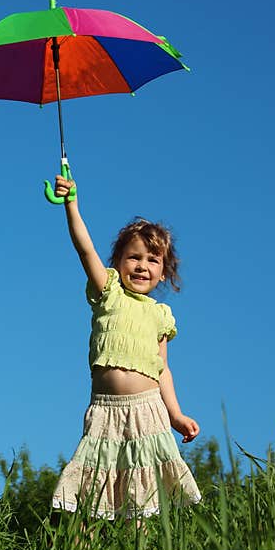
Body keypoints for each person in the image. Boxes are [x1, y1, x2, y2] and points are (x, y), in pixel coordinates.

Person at [49, 173, 201, 523]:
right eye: (134, 257)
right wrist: (71, 204)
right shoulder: (109, 290)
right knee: (92, 491)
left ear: (163, 273)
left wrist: (176, 415)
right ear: (117, 262)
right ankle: (81, 549)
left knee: (143, 495)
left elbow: (162, 369)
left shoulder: (161, 315)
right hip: (105, 410)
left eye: (152, 260)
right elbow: (84, 247)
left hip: (148, 410)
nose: (142, 266)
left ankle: (139, 548)